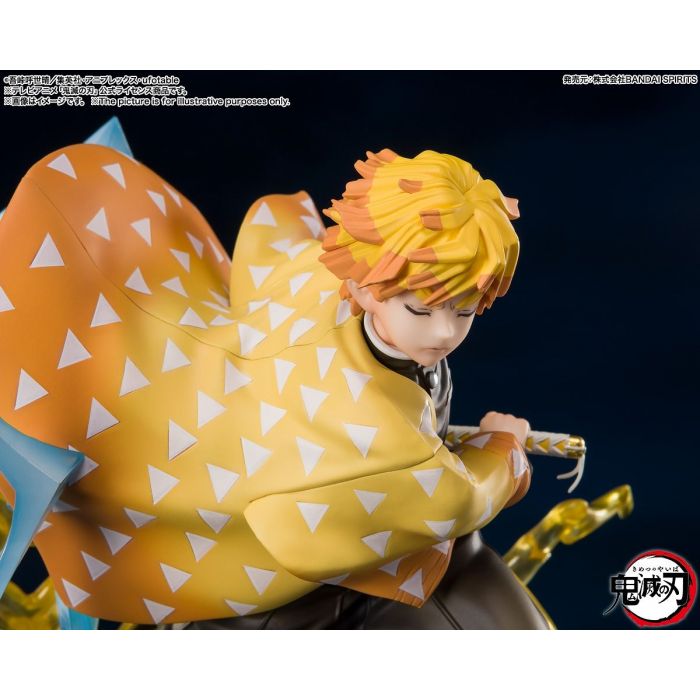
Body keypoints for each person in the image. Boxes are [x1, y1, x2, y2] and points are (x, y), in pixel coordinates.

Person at [0, 143, 550, 628]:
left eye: (465, 311)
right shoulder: (378, 429)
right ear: (362, 287)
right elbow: (451, 497)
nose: (444, 333)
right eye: (420, 310)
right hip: (253, 556)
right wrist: (503, 452)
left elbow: (269, 228)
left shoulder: (321, 273)